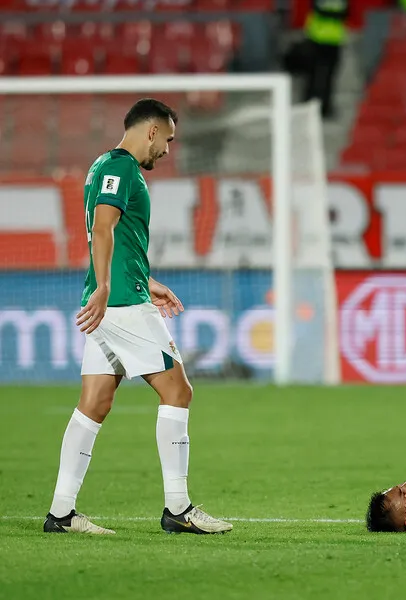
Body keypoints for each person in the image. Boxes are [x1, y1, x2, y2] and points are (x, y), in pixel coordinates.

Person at [43, 99, 232, 536]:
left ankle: (61, 513)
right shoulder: (123, 168)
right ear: (150, 131)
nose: (167, 150)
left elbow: (118, 236)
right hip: (122, 303)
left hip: (117, 295)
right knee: (178, 391)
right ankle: (178, 508)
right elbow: (103, 226)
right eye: (166, 139)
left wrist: (146, 279)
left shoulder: (101, 166)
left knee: (94, 404)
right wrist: (111, 288)